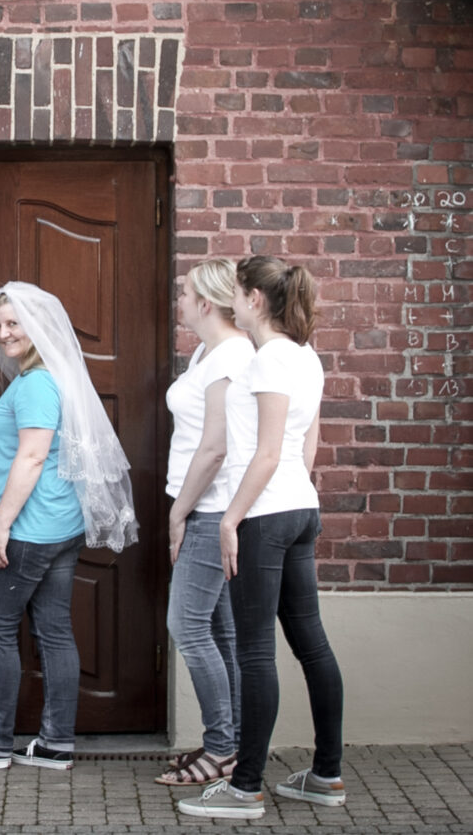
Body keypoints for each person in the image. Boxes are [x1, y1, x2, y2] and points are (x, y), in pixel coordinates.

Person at [0, 281, 137, 773]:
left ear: (38, 327)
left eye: (13, 324)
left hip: (28, 531)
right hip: (60, 527)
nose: (3, 333)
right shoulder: (49, 379)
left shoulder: (37, 384)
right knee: (53, 631)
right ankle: (54, 744)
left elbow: (31, 457)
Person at [178, 255, 345, 821]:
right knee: (312, 646)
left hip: (267, 517)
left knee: (255, 652)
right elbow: (306, 450)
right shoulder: (306, 356)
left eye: (240, 294)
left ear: (253, 299)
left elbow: (268, 452)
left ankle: (245, 787)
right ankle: (325, 775)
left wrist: (232, 520)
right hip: (300, 509)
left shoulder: (270, 359)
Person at [156, 259, 252, 787]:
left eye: (186, 292)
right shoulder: (205, 353)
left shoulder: (231, 357)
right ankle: (229, 743)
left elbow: (215, 447)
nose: (181, 300)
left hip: (209, 506)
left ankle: (221, 748)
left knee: (188, 627)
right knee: (218, 630)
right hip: (200, 503)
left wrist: (178, 513)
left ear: (206, 303)